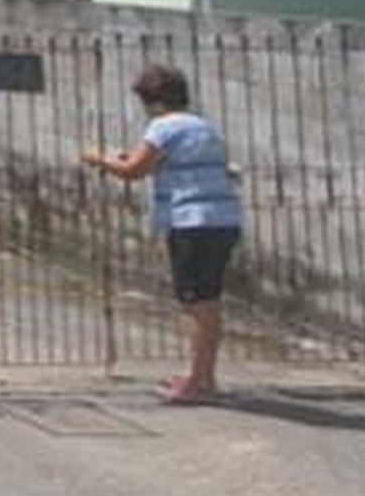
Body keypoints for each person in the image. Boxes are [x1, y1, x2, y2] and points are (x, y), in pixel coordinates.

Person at [80, 63, 244, 405]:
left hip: (192, 222)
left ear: (153, 101)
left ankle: (200, 383)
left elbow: (133, 171)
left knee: (196, 304)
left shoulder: (163, 126)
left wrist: (99, 159)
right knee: (207, 301)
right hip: (223, 219)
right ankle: (202, 374)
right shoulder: (205, 127)